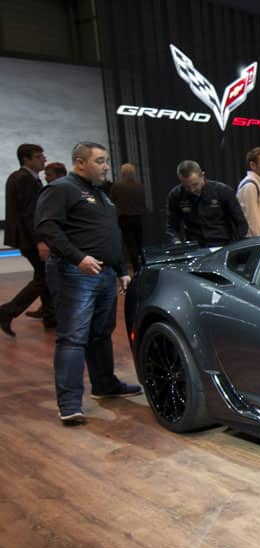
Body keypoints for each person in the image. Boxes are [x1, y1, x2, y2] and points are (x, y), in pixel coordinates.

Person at [34, 141, 142, 426]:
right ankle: (69, 404)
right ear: (80, 163)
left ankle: (104, 384)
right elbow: (47, 226)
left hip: (105, 274)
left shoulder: (101, 194)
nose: (106, 166)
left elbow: (110, 233)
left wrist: (120, 268)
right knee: (73, 337)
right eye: (100, 161)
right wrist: (78, 258)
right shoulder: (62, 189)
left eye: (106, 161)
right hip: (76, 273)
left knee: (100, 333)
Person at [1, 143, 56, 336]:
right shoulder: (25, 179)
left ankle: (51, 317)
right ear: (26, 159)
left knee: (45, 276)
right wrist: (40, 240)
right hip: (30, 238)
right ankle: (8, 311)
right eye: (39, 156)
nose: (44, 159)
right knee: (44, 277)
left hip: (28, 237)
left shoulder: (28, 179)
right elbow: (30, 213)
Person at [166, 160, 248, 246]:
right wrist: (177, 242)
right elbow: (172, 227)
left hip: (222, 243)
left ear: (202, 175)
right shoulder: (176, 195)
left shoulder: (222, 191)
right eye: (186, 186)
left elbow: (241, 224)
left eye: (195, 185)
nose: (192, 190)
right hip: (195, 246)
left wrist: (234, 245)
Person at [110, 163, 146, 273]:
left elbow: (112, 201)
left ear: (123, 173)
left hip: (124, 219)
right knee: (139, 244)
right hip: (138, 218)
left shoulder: (117, 186)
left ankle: (136, 269)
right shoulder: (140, 186)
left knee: (130, 245)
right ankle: (144, 266)